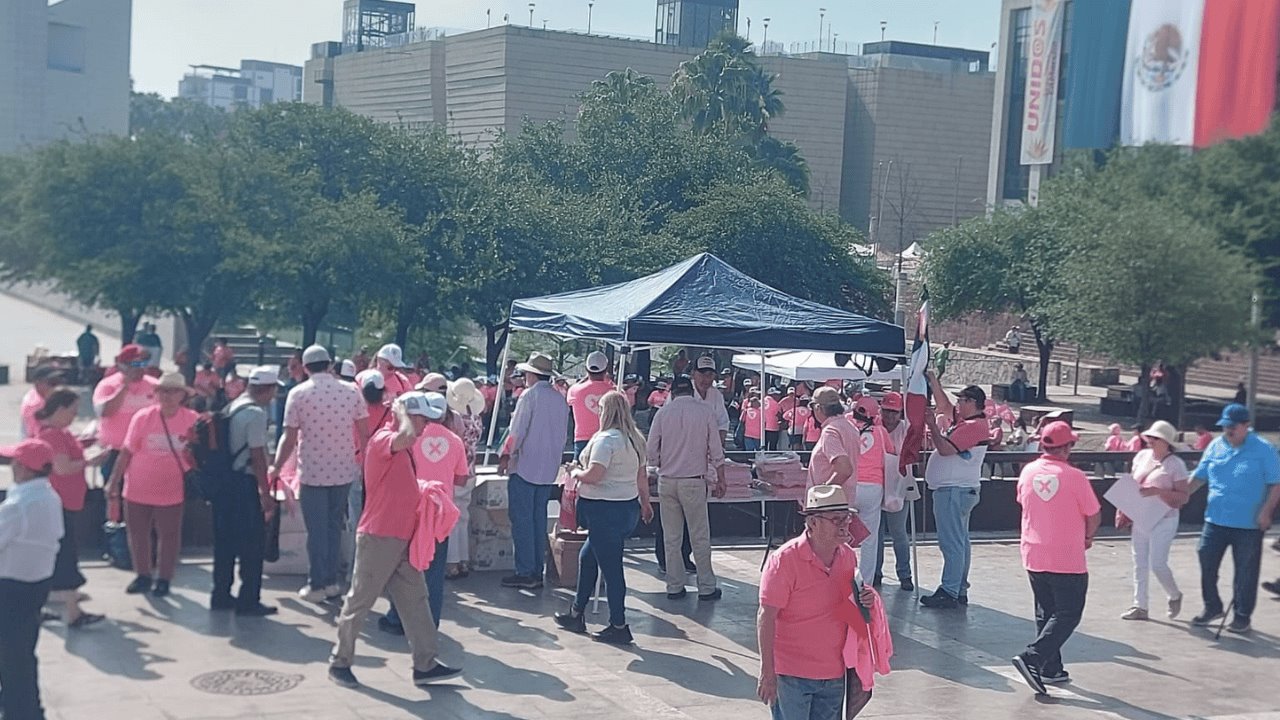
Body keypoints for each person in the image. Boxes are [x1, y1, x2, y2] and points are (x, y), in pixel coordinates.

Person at [328, 392, 462, 690]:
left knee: (416, 600)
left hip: (400, 537)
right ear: (406, 416)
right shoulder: (384, 441)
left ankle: (425, 664)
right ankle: (340, 661)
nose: (427, 425)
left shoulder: (402, 447)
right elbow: (405, 437)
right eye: (422, 418)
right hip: (379, 536)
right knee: (360, 600)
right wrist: (401, 414)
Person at [757, 484, 889, 720]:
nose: (844, 525)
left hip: (834, 673)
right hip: (791, 674)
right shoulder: (784, 561)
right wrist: (768, 673)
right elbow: (766, 617)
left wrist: (865, 600)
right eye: (836, 519)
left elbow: (848, 610)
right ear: (813, 522)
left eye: (847, 518)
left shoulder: (847, 556)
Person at [555, 391, 655, 644]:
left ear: (605, 411)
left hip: (603, 509)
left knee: (611, 570)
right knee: (588, 557)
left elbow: (594, 475)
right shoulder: (635, 440)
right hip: (627, 507)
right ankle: (577, 612)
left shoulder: (604, 440)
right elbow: (641, 477)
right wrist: (646, 503)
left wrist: (575, 472)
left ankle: (619, 624)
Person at [273, 345, 370, 603]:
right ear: (329, 365)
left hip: (313, 472)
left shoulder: (298, 394)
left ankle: (317, 583)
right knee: (334, 527)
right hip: (344, 470)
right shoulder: (351, 392)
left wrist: (276, 465)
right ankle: (331, 582)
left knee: (316, 531)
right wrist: (362, 462)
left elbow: (289, 437)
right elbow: (364, 431)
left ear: (305, 367)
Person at [1011, 421, 1101, 695]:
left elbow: (1022, 503)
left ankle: (1051, 667)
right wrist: (1087, 536)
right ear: (1066, 447)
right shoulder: (1074, 476)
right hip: (1066, 555)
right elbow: (1094, 515)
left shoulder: (1028, 471)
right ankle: (1034, 657)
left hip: (1034, 552)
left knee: (1046, 611)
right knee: (1069, 612)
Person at [1189, 403, 1280, 634]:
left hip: (1249, 523)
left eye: (1233, 426)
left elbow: (1275, 483)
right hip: (1215, 519)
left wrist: (1266, 512)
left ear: (1246, 426)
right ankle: (1212, 606)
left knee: (1245, 572)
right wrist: (1178, 498)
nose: (1228, 430)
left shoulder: (1264, 449)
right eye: (1225, 426)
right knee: (1205, 559)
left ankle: (1242, 615)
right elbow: (1198, 478)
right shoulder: (1215, 446)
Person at [106, 372, 199, 597]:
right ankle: (143, 575)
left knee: (169, 535)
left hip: (172, 488)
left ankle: (164, 578)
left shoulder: (192, 420)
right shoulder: (142, 417)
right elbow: (126, 452)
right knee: (138, 534)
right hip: (138, 486)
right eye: (162, 391)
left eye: (173, 391)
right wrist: (114, 481)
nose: (167, 396)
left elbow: (200, 454)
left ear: (182, 395)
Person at [0, 438, 64, 720]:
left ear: (25, 468)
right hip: (36, 584)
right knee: (22, 652)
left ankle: (21, 712)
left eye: (15, 462)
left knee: (13, 659)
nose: (12, 466)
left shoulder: (19, 505)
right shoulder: (49, 496)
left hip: (10, 588)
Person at [647, 374, 726, 601]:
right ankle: (706, 587)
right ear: (690, 391)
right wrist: (721, 478)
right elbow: (716, 451)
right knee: (699, 536)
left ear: (672, 392)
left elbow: (651, 451)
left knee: (672, 538)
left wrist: (658, 465)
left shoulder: (662, 414)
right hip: (693, 480)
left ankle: (674, 586)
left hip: (667, 481)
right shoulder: (705, 413)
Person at [210, 366, 279, 616]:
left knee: (224, 542)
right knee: (251, 544)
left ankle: (220, 594)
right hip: (244, 484)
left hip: (223, 483)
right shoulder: (256, 414)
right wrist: (265, 493)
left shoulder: (233, 406)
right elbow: (257, 456)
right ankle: (248, 599)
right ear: (268, 389)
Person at [498, 352, 569, 590]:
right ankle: (537, 569)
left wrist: (505, 456)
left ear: (531, 374)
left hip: (525, 465)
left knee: (522, 521)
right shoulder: (559, 399)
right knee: (539, 520)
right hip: (548, 468)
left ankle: (526, 570)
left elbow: (516, 432)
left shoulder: (529, 396)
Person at [34, 389, 104, 628]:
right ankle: (73, 611)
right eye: (73, 412)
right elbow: (62, 468)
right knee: (65, 555)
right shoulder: (53, 436)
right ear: (61, 410)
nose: (74, 416)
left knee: (58, 555)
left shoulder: (59, 434)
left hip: (67, 502)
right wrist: (90, 461)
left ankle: (53, 600)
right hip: (61, 503)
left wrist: (85, 444)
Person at [920, 373, 989, 609]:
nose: (958, 404)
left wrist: (932, 426)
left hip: (954, 490)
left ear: (971, 403)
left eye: (962, 401)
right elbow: (944, 405)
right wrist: (933, 382)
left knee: (951, 542)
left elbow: (945, 449)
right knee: (960, 541)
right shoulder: (969, 423)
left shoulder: (972, 427)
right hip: (959, 489)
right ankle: (958, 588)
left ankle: (950, 589)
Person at [1117, 420, 1189, 621]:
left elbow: (1183, 496)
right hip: (1141, 515)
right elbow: (1132, 483)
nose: (1151, 441)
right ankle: (1140, 605)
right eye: (1150, 437)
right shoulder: (1141, 456)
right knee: (1139, 562)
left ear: (1167, 442)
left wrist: (1158, 492)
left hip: (1165, 518)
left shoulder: (1176, 465)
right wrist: (1125, 508)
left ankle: (1174, 594)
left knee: (1157, 563)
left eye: (1156, 438)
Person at [92, 345, 158, 481]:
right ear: (122, 365)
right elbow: (105, 412)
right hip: (115, 451)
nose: (140, 367)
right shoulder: (107, 385)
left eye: (143, 363)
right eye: (135, 363)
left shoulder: (155, 385)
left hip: (145, 451)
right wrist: (124, 387)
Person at [444, 378, 486, 579]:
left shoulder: (454, 420)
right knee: (463, 516)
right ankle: (463, 560)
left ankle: (452, 562)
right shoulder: (476, 419)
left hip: (455, 471)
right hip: (470, 470)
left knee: (452, 519)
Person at [849, 396, 892, 585]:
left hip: (849, 485)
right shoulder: (881, 433)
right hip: (874, 487)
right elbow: (892, 456)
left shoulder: (846, 426)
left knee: (842, 533)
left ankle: (842, 576)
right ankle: (865, 582)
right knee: (870, 538)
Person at [873, 391, 913, 591]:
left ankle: (905, 574)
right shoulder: (873, 426)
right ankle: (875, 572)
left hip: (897, 485)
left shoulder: (906, 429)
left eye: (893, 412)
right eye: (886, 411)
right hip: (877, 483)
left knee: (899, 532)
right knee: (876, 534)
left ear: (900, 413)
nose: (889, 416)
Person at [567, 351, 616, 457]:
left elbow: (569, 401)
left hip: (582, 438)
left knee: (580, 470)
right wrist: (610, 381)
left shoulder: (575, 390)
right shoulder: (614, 391)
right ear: (606, 369)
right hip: (607, 437)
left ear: (586, 369)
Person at [20, 366, 66, 440]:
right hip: (35, 447)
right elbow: (38, 435)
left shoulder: (46, 397)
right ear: (38, 384)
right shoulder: (34, 404)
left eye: (58, 382)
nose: (57, 386)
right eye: (52, 383)